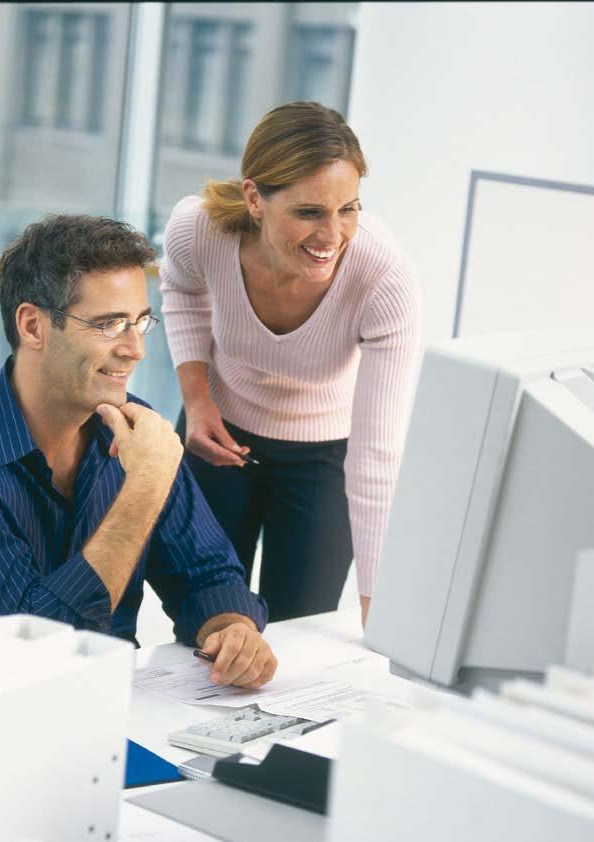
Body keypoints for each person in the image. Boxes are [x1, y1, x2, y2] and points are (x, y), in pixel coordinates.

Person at [0, 215, 277, 689]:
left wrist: (232, 627)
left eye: (139, 323)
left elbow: (208, 574)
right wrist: (144, 490)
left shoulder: (135, 427)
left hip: (120, 712)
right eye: (109, 324)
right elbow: (32, 658)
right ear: (33, 326)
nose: (135, 350)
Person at [160, 101, 422, 626]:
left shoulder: (383, 276)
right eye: (309, 212)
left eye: (348, 209)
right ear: (255, 198)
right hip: (221, 437)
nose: (332, 236)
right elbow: (181, 288)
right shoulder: (200, 229)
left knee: (296, 627)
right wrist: (196, 397)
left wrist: (378, 611)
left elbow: (377, 458)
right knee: (202, 616)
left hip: (324, 458)